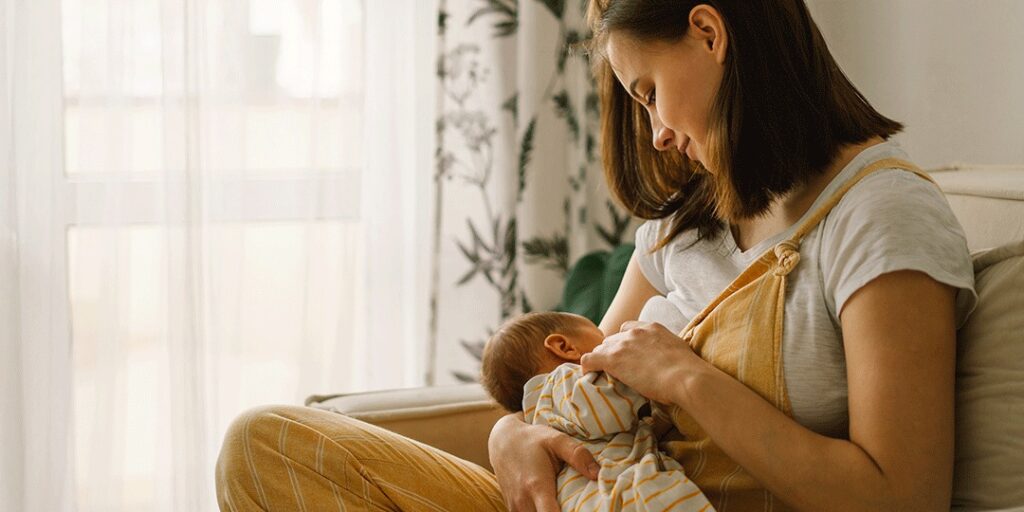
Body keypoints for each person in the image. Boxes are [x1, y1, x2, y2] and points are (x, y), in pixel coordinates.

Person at [214, 1, 978, 510]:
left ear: (710, 34)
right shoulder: (689, 223)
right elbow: (580, 395)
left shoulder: (880, 215)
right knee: (265, 445)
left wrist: (689, 378)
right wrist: (510, 434)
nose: (656, 135)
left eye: (647, 93)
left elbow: (902, 496)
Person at [480, 310, 713, 511]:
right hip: (612, 492)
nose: (612, 342)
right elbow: (607, 407)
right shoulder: (561, 383)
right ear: (565, 347)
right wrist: (649, 363)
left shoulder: (544, 413)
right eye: (604, 338)